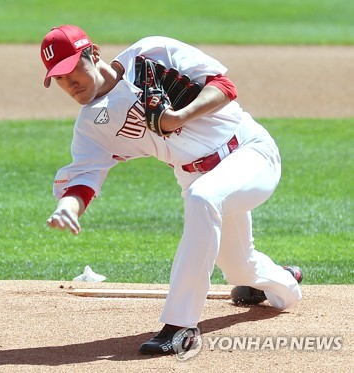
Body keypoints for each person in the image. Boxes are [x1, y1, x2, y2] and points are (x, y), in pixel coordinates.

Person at [40, 25, 303, 355]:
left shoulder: (150, 52)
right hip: (195, 176)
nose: (68, 83)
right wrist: (69, 206)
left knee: (203, 198)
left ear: (93, 53)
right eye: (59, 78)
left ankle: (181, 325)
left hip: (248, 151)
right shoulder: (92, 125)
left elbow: (224, 86)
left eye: (71, 69)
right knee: (239, 268)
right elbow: (82, 180)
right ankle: (286, 283)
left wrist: (179, 116)